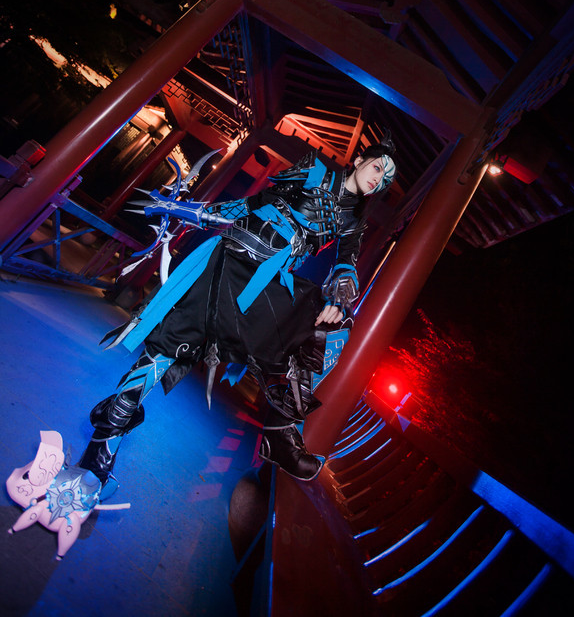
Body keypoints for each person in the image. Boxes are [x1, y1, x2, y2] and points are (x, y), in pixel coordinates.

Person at [76, 136, 397, 488]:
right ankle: (105, 440)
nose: (377, 179)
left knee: (333, 329)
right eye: (377, 168)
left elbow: (346, 264)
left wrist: (339, 296)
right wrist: (197, 213)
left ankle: (280, 430)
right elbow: (253, 204)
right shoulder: (314, 170)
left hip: (266, 285)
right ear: (360, 160)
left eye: (385, 180)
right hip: (229, 259)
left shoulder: (353, 221)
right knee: (173, 346)